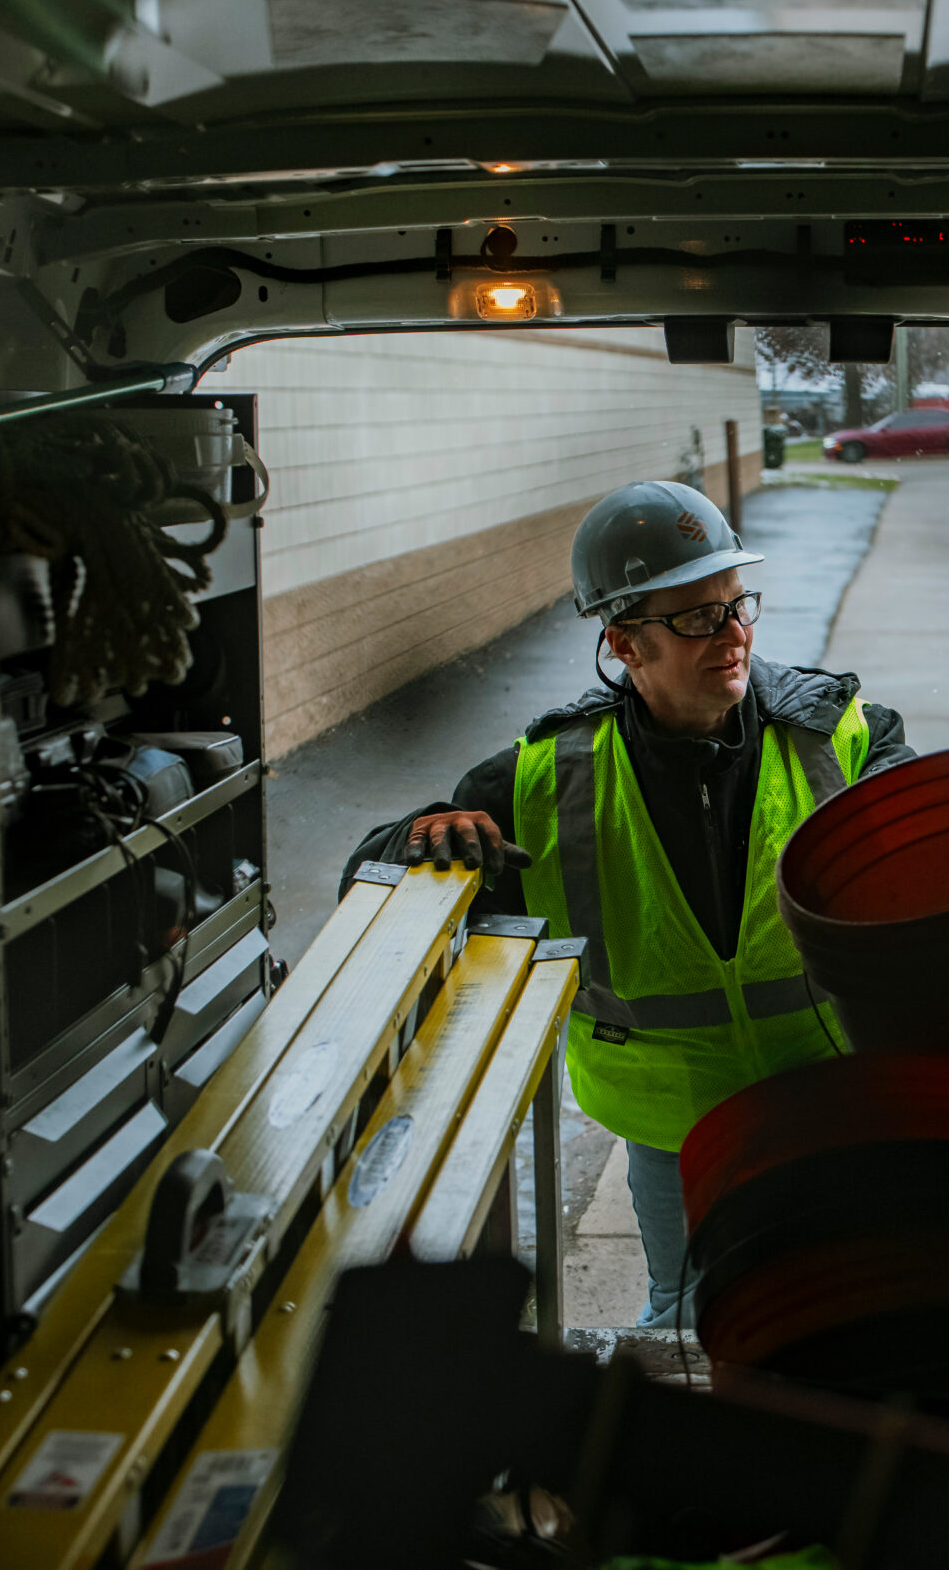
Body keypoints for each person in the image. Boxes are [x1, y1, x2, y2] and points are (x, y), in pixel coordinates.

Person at [340, 480, 915, 1328]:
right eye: (696, 618)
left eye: (735, 604)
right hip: (669, 1120)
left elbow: (918, 827)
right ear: (623, 643)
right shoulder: (545, 779)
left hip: (819, 1096)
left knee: (841, 1314)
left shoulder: (834, 733)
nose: (733, 634)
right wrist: (418, 837)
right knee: (688, 1319)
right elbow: (370, 875)